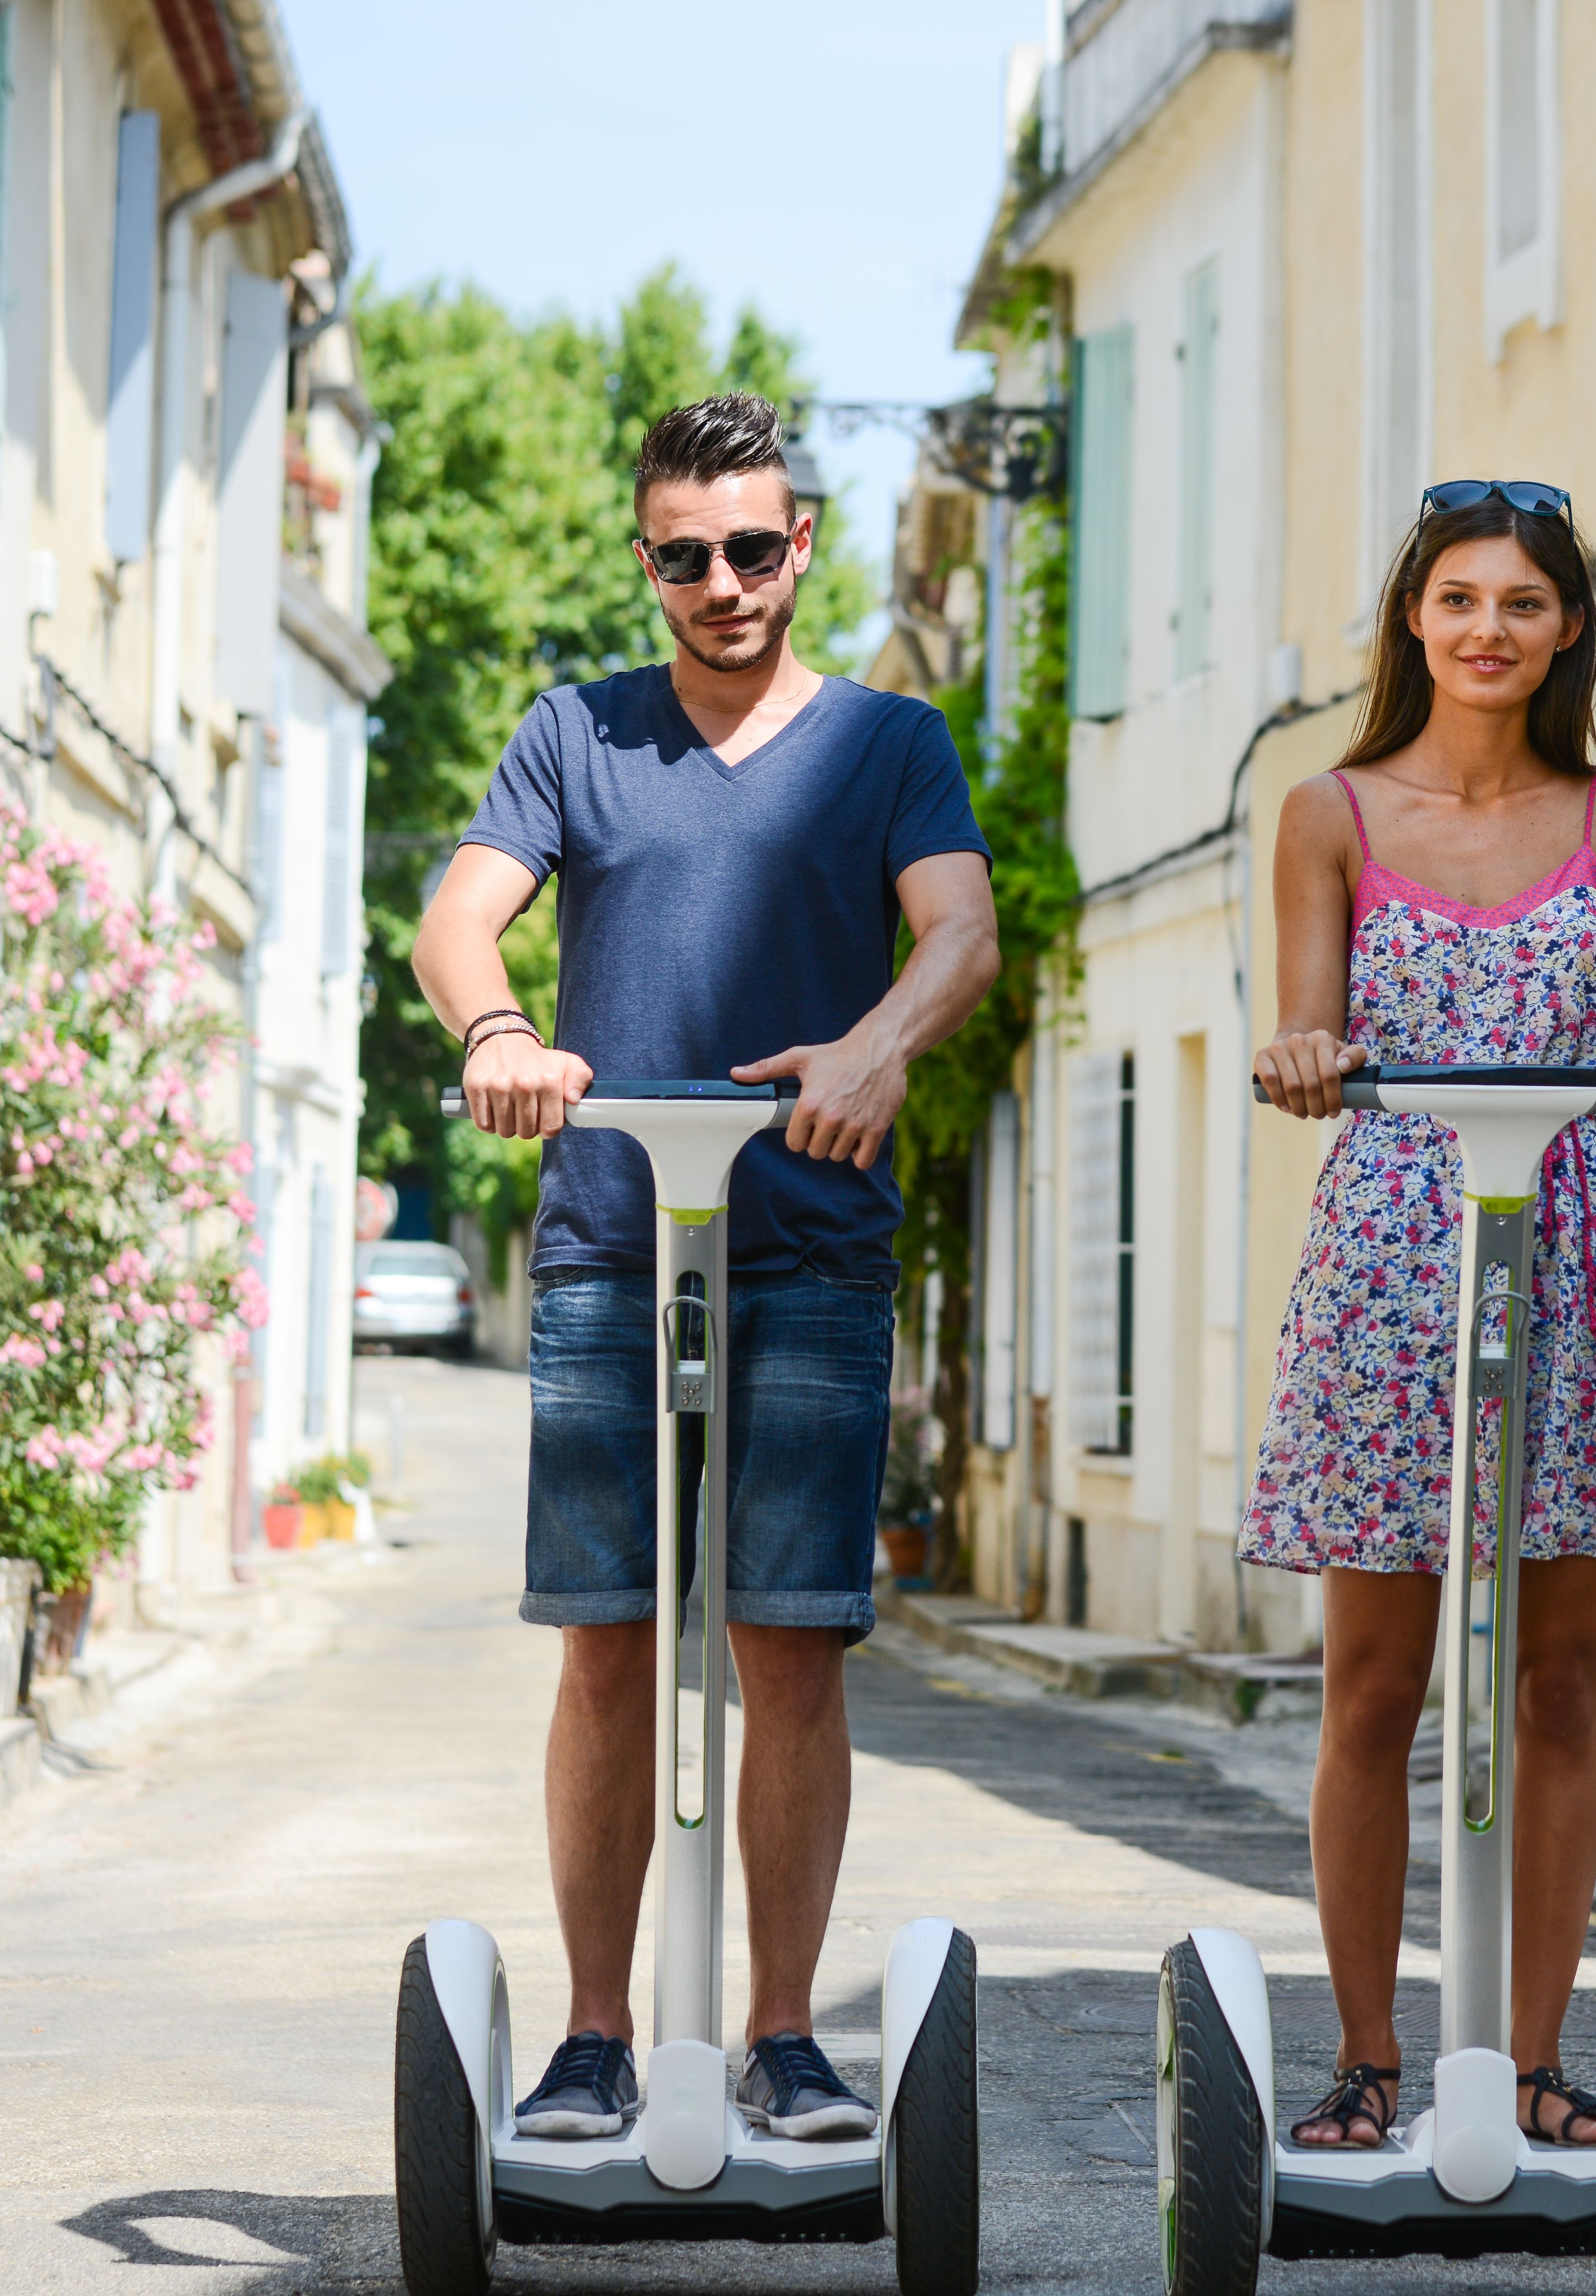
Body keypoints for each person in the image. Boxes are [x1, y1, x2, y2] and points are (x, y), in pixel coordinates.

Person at [409, 395, 999, 2143]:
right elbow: (458, 915)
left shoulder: (886, 743)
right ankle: (594, 2038)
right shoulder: (575, 736)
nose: (724, 583)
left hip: (809, 1249)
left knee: (789, 1652)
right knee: (604, 1650)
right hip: (608, 1244)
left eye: (754, 548)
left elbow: (956, 927)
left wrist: (875, 1045)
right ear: (648, 557)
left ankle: (781, 2035)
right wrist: (501, 1024)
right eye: (687, 555)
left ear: (801, 543)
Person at [1241, 480, 1596, 2153]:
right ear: (1413, 623)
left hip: (1566, 1254)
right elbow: (1306, 1022)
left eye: (1522, 603)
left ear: (1566, 626)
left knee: (1559, 1684)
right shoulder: (1328, 812)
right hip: (1387, 1264)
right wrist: (1304, 1053)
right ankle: (1369, 2059)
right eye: (1457, 601)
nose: (1488, 631)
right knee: (1373, 1686)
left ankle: (1528, 2063)